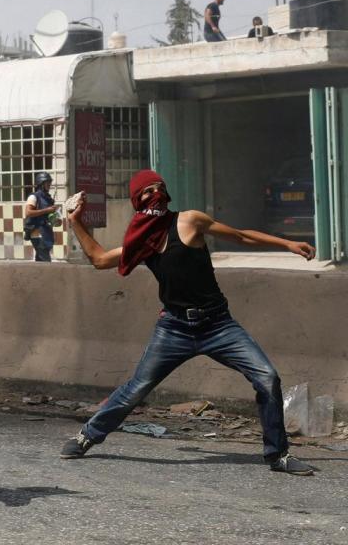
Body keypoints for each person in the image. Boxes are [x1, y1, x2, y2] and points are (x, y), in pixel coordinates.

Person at [60, 169, 316, 475]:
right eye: (146, 191)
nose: (154, 193)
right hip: (174, 328)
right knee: (136, 388)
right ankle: (87, 435)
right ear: (137, 202)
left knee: (267, 378)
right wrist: (76, 221)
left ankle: (278, 455)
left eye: (159, 188)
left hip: (218, 325)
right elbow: (99, 259)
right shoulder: (142, 242)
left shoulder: (189, 220)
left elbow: (241, 236)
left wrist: (287, 244)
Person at [23, 172, 60, 262]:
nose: (49, 185)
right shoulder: (34, 197)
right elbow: (28, 212)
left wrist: (56, 220)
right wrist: (47, 210)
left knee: (40, 260)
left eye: (49, 182)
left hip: (46, 232)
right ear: (41, 183)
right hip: (37, 234)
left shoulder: (48, 198)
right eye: (47, 182)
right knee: (45, 260)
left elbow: (49, 216)